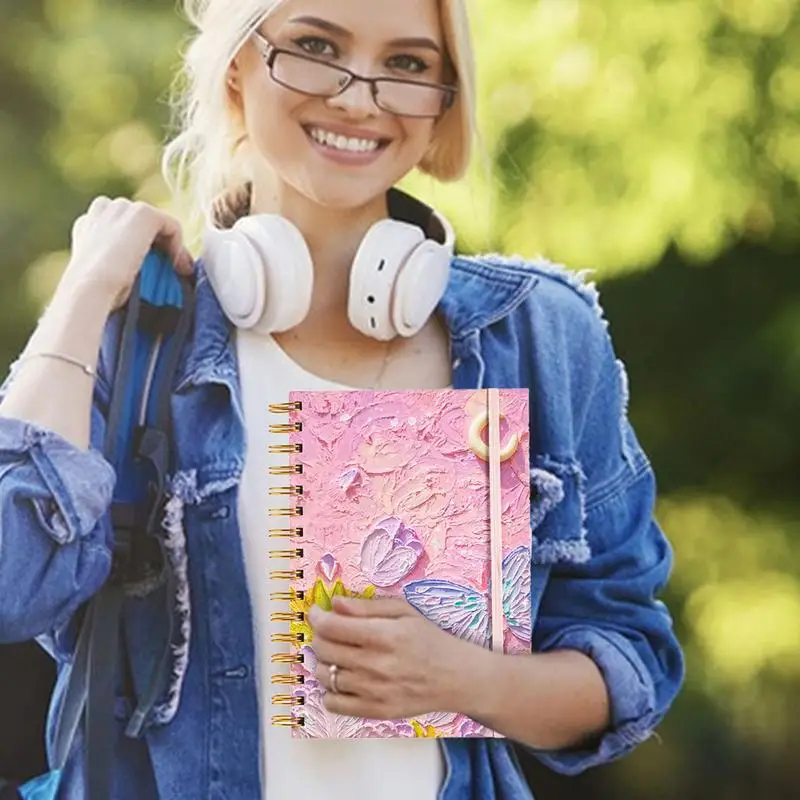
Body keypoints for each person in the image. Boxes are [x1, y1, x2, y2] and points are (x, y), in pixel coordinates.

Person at [0, 0, 684, 797]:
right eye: (316, 47)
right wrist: (83, 293)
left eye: (407, 64)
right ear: (236, 68)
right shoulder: (140, 335)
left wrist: (464, 677)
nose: (359, 97)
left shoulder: (536, 335)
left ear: (444, 103)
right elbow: (13, 585)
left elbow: (631, 660)